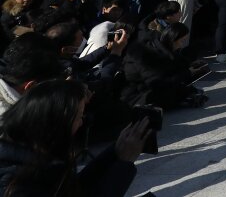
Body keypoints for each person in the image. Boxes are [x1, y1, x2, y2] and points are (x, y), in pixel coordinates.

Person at [0, 79, 150, 197]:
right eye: (78, 116)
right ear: (57, 124)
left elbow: (75, 189)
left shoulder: (33, 154)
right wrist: (124, 164)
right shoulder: (14, 182)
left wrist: (115, 153)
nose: (82, 122)